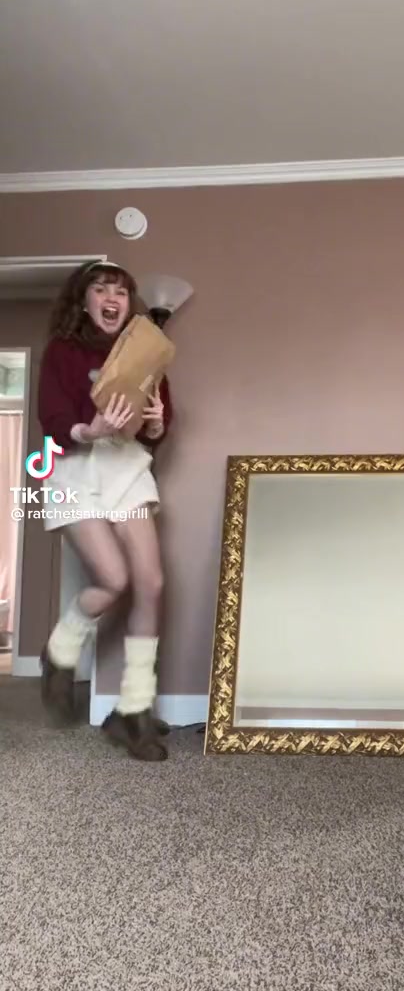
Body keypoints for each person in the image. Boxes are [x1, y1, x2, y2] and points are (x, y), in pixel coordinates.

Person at [37, 260, 173, 761]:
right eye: (101, 289)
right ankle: (59, 652)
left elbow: (158, 421)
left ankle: (133, 709)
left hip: (126, 470)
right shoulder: (62, 350)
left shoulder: (145, 349)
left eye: (120, 291)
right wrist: (87, 430)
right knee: (113, 579)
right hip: (77, 471)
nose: (112, 298)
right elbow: (51, 416)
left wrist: (156, 423)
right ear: (85, 300)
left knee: (151, 583)